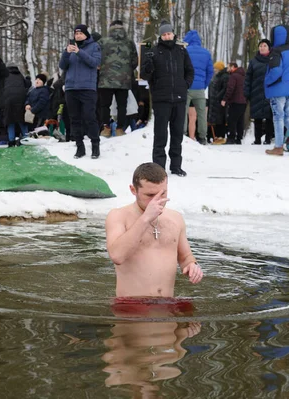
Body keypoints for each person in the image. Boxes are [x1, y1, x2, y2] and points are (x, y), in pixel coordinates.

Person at [105, 162, 203, 298]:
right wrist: (145, 219)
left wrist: (192, 265)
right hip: (132, 305)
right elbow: (117, 255)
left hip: (168, 304)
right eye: (150, 195)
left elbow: (185, 257)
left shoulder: (175, 218)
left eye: (163, 194)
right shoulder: (118, 216)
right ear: (133, 190)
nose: (158, 200)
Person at [141, 20, 194, 176]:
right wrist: (148, 65)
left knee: (177, 134)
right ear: (160, 36)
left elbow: (190, 71)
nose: (167, 36)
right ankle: (159, 167)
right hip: (161, 99)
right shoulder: (154, 51)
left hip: (179, 98)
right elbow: (145, 74)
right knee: (160, 135)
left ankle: (176, 166)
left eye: (169, 33)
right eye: (164, 34)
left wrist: (186, 85)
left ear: (173, 34)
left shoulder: (182, 51)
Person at [59, 24, 102, 159]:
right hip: (71, 88)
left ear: (86, 35)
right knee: (74, 119)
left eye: (80, 34)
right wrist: (66, 53)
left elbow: (94, 62)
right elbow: (62, 65)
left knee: (90, 117)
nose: (78, 36)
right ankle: (79, 147)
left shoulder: (94, 46)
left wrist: (79, 52)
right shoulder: (69, 48)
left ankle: (95, 146)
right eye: (76, 34)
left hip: (87, 88)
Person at [97, 20, 138, 138]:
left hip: (105, 79)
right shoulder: (129, 42)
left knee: (105, 105)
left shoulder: (102, 42)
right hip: (124, 80)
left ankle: (106, 128)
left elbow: (96, 59)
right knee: (122, 105)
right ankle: (120, 128)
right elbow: (135, 61)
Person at [182, 30, 214, 144]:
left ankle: (183, 135)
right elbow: (210, 72)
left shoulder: (185, 51)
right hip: (200, 88)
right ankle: (202, 137)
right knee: (201, 114)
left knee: (183, 112)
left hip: (186, 87)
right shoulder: (206, 53)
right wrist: (203, 85)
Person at [264, 25, 289, 156]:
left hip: (277, 89)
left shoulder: (276, 52)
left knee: (278, 117)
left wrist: (266, 80)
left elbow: (276, 71)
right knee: (287, 117)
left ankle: (278, 146)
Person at [244, 39, 274, 145]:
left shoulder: (273, 59)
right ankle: (257, 139)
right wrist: (246, 92)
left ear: (269, 48)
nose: (262, 47)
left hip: (270, 92)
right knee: (257, 117)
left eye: (264, 46)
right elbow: (248, 77)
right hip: (256, 92)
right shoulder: (253, 61)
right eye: (260, 46)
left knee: (269, 116)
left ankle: (268, 138)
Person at [3, 62, 30, 147]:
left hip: (8, 100)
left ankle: (11, 141)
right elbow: (28, 85)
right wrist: (28, 79)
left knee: (10, 121)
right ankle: (26, 138)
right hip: (20, 100)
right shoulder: (20, 75)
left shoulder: (5, 76)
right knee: (22, 120)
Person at [221, 62, 247, 145]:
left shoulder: (233, 76)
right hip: (243, 101)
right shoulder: (243, 75)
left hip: (235, 101)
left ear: (232, 67)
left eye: (228, 67)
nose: (227, 69)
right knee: (240, 120)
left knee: (232, 120)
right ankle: (239, 138)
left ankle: (231, 138)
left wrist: (224, 99)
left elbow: (230, 89)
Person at [207, 61, 229, 143]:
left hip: (219, 101)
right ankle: (213, 136)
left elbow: (224, 89)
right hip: (213, 101)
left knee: (220, 119)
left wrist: (217, 97)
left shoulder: (225, 76)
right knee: (213, 119)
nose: (214, 70)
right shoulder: (216, 76)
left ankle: (220, 136)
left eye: (216, 68)